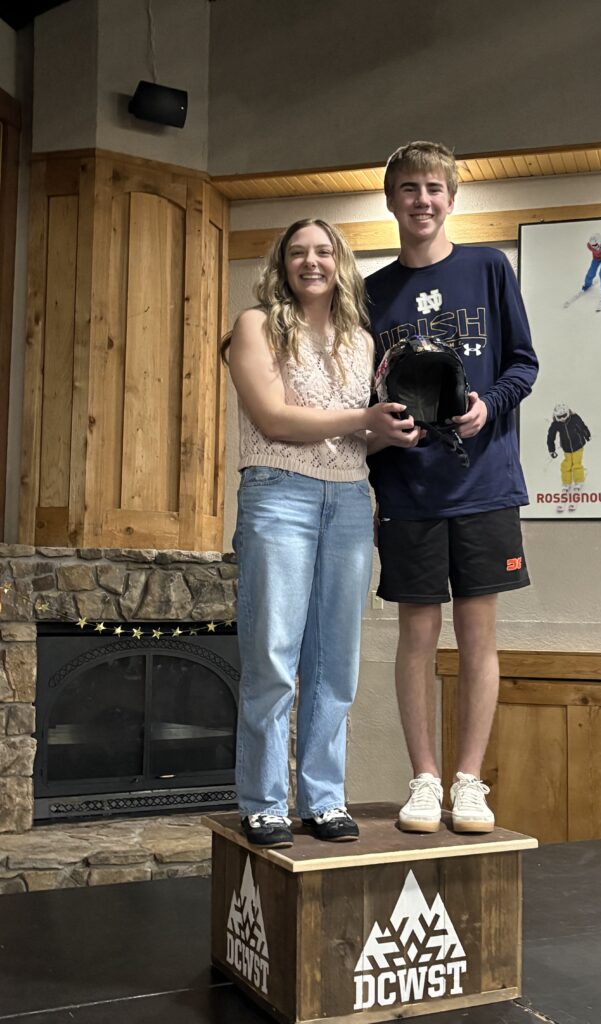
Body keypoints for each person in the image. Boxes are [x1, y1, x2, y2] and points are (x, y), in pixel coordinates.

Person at [225, 218, 418, 848]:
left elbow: (353, 432)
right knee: (274, 658)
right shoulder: (255, 325)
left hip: (349, 501)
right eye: (298, 252)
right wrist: (363, 418)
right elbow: (274, 418)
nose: (311, 261)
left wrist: (384, 432)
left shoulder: (361, 340)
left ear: (340, 263)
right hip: (278, 494)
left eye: (323, 251)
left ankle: (324, 798)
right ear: (281, 264)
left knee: (334, 662)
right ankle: (263, 802)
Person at [365, 141, 539, 834]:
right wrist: (381, 429)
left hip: (485, 483)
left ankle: (469, 781)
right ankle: (424, 779)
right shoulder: (370, 292)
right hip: (408, 490)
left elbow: (523, 364)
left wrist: (487, 406)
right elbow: (361, 390)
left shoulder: (489, 268)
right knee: (416, 635)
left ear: (452, 197)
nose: (422, 200)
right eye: (409, 188)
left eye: (434, 187)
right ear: (391, 200)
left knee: (478, 638)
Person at [547, 403, 592, 513]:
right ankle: (566, 482)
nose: (562, 419)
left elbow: (582, 426)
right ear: (555, 416)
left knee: (576, 464)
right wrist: (551, 450)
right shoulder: (555, 424)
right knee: (566, 465)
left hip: (578, 446)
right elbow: (550, 437)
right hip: (566, 449)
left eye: (564, 416)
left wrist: (587, 434)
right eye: (559, 417)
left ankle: (578, 481)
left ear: (568, 413)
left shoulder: (575, 418)